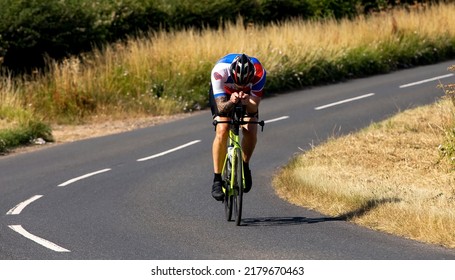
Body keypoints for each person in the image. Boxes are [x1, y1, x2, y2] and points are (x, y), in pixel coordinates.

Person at [209, 53, 267, 201]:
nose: (240, 86)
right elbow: (221, 108)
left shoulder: (259, 73)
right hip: (224, 96)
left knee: (251, 129)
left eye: (244, 83)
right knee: (222, 130)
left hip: (247, 97)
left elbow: (253, 110)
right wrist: (231, 102)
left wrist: (247, 102)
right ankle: (217, 180)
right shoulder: (219, 71)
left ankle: (245, 166)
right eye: (238, 83)